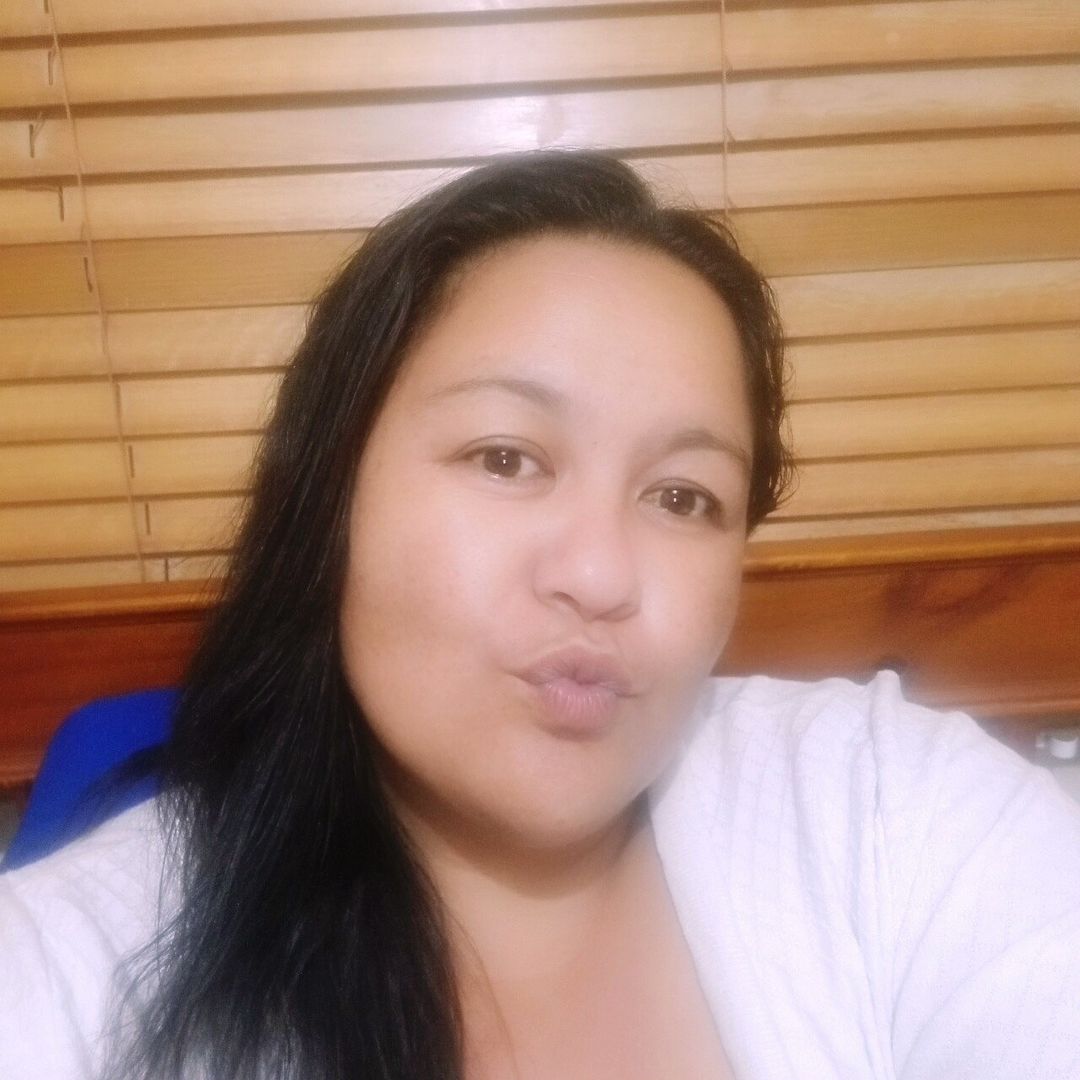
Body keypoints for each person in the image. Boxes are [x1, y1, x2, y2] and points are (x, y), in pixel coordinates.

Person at [2, 148, 1079, 1080]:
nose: (600, 574)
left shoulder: (885, 813)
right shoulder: (65, 974)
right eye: (506, 458)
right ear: (329, 496)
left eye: (682, 497)